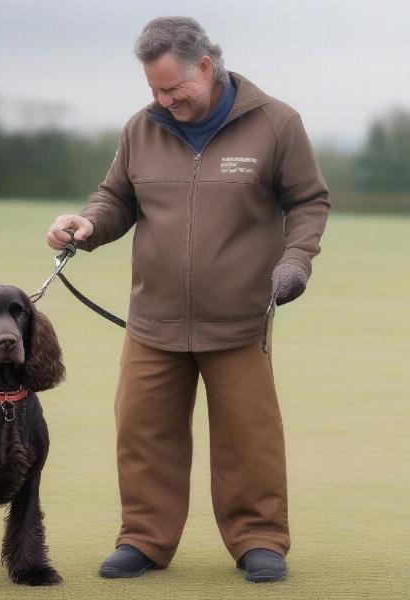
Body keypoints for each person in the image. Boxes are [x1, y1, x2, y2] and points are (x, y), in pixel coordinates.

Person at [46, 16, 329, 583]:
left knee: (250, 438)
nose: (163, 99)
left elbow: (308, 201)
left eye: (173, 88)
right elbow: (115, 199)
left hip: (242, 319)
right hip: (153, 320)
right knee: (144, 433)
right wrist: (87, 224)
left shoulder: (277, 124)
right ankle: (144, 539)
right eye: (153, 89)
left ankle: (259, 540)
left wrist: (296, 261)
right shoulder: (141, 128)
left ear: (206, 65)